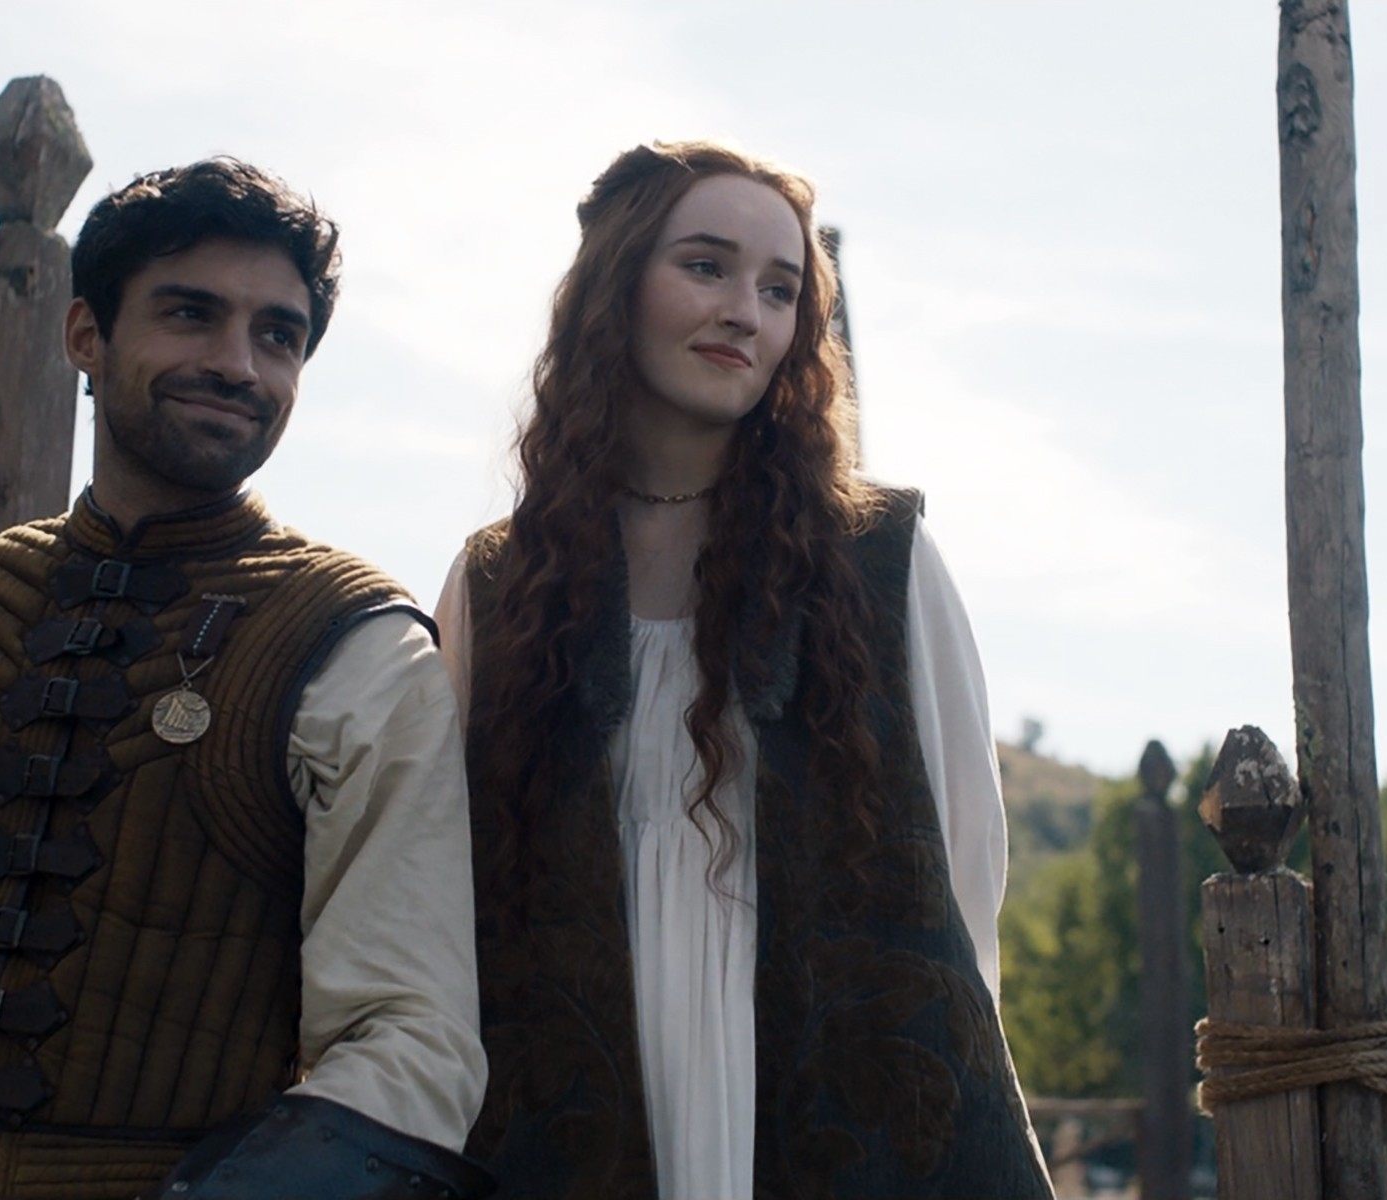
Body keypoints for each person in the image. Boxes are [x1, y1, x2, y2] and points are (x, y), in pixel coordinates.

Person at [0, 158, 492, 1200]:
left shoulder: (358, 645)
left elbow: (411, 1034)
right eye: (190, 315)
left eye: (276, 335)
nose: (237, 363)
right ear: (85, 335)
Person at [437, 141, 1049, 1199]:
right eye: (706, 267)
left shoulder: (879, 556)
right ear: (615, 288)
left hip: (825, 1091)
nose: (745, 313)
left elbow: (959, 864)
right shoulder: (500, 582)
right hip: (572, 1101)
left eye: (780, 290)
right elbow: (446, 884)